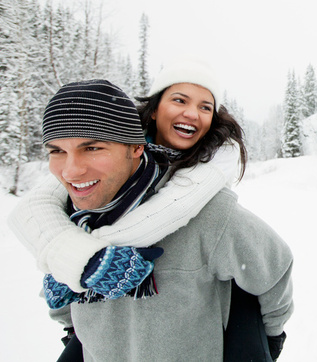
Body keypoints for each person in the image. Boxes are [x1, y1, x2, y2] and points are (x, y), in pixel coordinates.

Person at [10, 78, 293, 361]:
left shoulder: (209, 214)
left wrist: (265, 338)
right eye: (57, 151)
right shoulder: (69, 218)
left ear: (136, 148)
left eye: (92, 148)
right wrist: (74, 328)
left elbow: (272, 267)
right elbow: (60, 289)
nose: (70, 172)